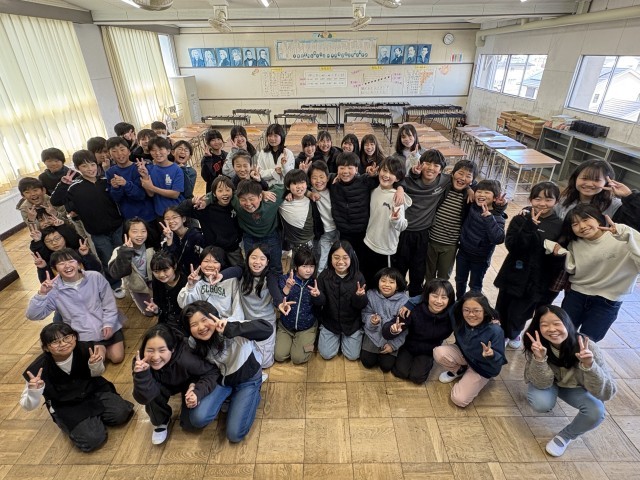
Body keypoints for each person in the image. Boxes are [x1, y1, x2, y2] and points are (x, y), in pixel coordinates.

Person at [20, 323, 133, 452]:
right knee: (93, 439)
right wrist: (34, 391)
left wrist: (95, 365)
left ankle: (92, 421)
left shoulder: (86, 348)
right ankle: (82, 423)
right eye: (55, 342)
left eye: (67, 337)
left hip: (93, 391)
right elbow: (27, 406)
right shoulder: (37, 369)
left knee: (121, 413)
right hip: (66, 404)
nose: (63, 344)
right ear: (46, 348)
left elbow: (97, 373)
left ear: (75, 337)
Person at [523, 305, 616, 457]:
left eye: (557, 323)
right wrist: (539, 359)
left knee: (596, 412)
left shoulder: (588, 347)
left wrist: (590, 366)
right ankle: (550, 397)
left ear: (567, 323)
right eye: (544, 325)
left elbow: (606, 393)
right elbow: (541, 383)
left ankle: (565, 436)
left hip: (574, 387)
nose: (551, 329)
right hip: (549, 382)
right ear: (538, 328)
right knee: (541, 404)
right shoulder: (536, 344)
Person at [546, 204, 640, 342]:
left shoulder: (622, 236)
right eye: (575, 224)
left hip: (608, 300)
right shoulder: (575, 243)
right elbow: (573, 268)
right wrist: (562, 253)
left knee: (588, 341)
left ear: (599, 219)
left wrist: (628, 237)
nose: (582, 226)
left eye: (586, 220)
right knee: (564, 334)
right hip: (576, 295)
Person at [182, 301, 272, 442]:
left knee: (234, 435)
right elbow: (197, 369)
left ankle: (252, 395)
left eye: (204, 320)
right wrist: (193, 386)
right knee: (197, 418)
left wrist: (231, 328)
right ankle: (231, 397)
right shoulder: (193, 342)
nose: (201, 327)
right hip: (222, 380)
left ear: (213, 316)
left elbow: (267, 329)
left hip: (247, 379)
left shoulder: (230, 324)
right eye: (194, 324)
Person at [495, 181, 564, 348]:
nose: (542, 204)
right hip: (513, 273)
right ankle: (501, 333)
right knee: (503, 306)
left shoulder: (559, 225)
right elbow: (512, 246)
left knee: (521, 311)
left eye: (548, 199)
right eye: (537, 199)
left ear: (556, 201)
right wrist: (529, 227)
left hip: (537, 279)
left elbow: (559, 255)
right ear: (530, 199)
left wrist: (557, 254)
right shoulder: (521, 218)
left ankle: (513, 333)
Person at [26, 248, 126, 364]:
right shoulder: (54, 289)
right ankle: (97, 348)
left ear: (78, 264)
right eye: (61, 263)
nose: (67, 266)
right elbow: (33, 315)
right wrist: (42, 294)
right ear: (55, 269)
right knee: (98, 361)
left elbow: (109, 303)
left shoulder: (95, 277)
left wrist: (108, 323)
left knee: (117, 358)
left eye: (71, 261)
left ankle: (101, 347)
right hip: (83, 334)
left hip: (106, 325)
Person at [50, 150, 125, 297]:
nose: (90, 169)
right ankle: (115, 284)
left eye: (92, 164)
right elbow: (55, 201)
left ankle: (128, 280)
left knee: (121, 255)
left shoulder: (105, 180)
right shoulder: (74, 186)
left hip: (117, 226)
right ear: (77, 168)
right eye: (84, 166)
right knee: (107, 258)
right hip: (97, 232)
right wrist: (63, 184)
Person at [132, 324, 219, 444]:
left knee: (190, 424)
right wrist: (142, 375)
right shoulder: (140, 363)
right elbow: (143, 398)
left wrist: (197, 390)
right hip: (160, 385)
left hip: (187, 381)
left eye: (162, 350)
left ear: (172, 349)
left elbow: (212, 372)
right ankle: (161, 421)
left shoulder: (187, 358)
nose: (155, 357)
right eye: (150, 350)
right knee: (149, 390)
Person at [433, 292, 506, 407]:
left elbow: (499, 364)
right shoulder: (457, 314)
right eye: (466, 310)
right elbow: (438, 301)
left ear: (485, 311)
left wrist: (491, 355)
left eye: (476, 311)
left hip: (482, 368)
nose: (471, 314)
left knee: (459, 399)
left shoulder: (495, 331)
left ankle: (471, 379)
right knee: (438, 352)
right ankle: (460, 370)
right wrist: (410, 304)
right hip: (464, 354)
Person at [394, 149, 449, 297]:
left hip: (423, 233)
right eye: (427, 163)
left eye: (436, 165)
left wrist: (469, 189)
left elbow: (461, 180)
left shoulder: (444, 181)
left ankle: (415, 298)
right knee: (399, 267)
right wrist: (400, 187)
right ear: (420, 164)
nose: (431, 168)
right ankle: (397, 297)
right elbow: (398, 179)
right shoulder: (409, 180)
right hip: (403, 232)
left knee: (418, 270)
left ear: (441, 170)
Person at [384, 279, 455, 384]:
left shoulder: (453, 315)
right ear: (427, 296)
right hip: (409, 345)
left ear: (450, 299)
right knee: (400, 372)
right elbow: (387, 330)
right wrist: (392, 329)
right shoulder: (413, 309)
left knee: (417, 378)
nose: (439, 301)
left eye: (444, 297)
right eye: (435, 296)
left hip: (429, 350)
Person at [311, 240, 368, 361]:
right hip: (330, 322)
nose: (340, 262)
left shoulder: (358, 277)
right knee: (326, 354)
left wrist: (359, 296)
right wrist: (317, 296)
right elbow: (321, 303)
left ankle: (350, 338)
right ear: (330, 258)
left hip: (351, 323)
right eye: (336, 257)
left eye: (345, 258)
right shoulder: (324, 276)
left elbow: (361, 306)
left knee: (352, 356)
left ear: (351, 258)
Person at [425, 160, 476, 284]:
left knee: (443, 277)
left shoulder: (469, 196)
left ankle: (441, 294)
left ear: (472, 180)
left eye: (468, 176)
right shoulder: (443, 187)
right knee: (428, 275)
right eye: (460, 173)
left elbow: (486, 198)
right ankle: (427, 294)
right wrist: (468, 186)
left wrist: (469, 188)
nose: (463, 178)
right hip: (431, 240)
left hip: (450, 245)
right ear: (452, 174)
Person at [362, 156, 411, 284]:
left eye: (391, 173)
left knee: (384, 283)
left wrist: (396, 219)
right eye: (384, 170)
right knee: (369, 280)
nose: (386, 175)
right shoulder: (374, 190)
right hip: (368, 242)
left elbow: (402, 225)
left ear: (398, 179)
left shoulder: (396, 197)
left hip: (386, 249)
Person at [455, 179, 506, 299]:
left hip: (480, 258)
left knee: (475, 285)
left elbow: (498, 239)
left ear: (495, 198)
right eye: (479, 191)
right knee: (460, 280)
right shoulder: (473, 205)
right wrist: (469, 189)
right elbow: (470, 181)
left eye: (487, 192)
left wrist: (490, 218)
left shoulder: (497, 217)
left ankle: (473, 304)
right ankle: (459, 302)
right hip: (463, 252)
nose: (482, 194)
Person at [329, 152, 380, 267]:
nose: (345, 171)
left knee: (363, 261)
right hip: (343, 231)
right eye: (342, 168)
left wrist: (374, 175)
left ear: (356, 169)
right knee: (345, 260)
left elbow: (386, 181)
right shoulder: (333, 182)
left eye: (349, 168)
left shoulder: (364, 181)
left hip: (362, 231)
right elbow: (316, 180)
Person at [181, 175, 244, 267]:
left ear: (233, 192)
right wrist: (192, 201)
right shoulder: (205, 208)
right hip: (214, 251)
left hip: (233, 249)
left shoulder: (236, 206)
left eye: (228, 190)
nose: (224, 193)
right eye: (220, 191)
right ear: (214, 193)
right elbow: (181, 209)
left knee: (240, 270)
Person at [230, 179, 286, 275]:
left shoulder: (271, 200)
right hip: (249, 237)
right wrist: (206, 200)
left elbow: (287, 186)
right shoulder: (235, 201)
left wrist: (288, 194)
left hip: (271, 235)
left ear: (260, 197)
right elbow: (220, 193)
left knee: (275, 266)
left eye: (251, 199)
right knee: (252, 267)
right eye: (243, 199)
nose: (248, 203)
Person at [239, 245, 281, 368]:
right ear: (247, 258)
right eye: (254, 257)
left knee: (265, 363)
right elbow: (231, 272)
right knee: (245, 359)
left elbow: (274, 290)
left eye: (262, 259)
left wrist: (280, 303)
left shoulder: (270, 276)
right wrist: (220, 276)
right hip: (247, 321)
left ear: (267, 262)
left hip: (265, 322)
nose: (257, 262)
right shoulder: (242, 272)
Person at [360, 268, 409, 372]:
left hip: (393, 338)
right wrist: (372, 320)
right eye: (383, 281)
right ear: (378, 282)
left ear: (397, 286)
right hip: (373, 333)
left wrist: (394, 345)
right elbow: (365, 314)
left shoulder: (404, 301)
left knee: (386, 366)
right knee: (367, 362)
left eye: (391, 282)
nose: (386, 285)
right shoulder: (370, 294)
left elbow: (405, 328)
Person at [177, 245, 244, 321]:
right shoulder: (196, 280)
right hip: (203, 322)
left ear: (222, 263)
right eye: (206, 261)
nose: (210, 265)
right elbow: (184, 304)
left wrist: (227, 323)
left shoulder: (231, 281)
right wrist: (190, 286)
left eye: (215, 262)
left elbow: (238, 310)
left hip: (225, 322)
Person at [275, 246, 318, 364]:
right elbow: (278, 301)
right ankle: (293, 341)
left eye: (311, 266)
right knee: (279, 356)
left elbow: (320, 304)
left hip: (307, 326)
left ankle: (310, 338)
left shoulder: (314, 283)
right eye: (304, 266)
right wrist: (287, 287)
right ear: (296, 267)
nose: (308, 270)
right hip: (286, 325)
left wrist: (318, 296)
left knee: (297, 358)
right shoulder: (285, 279)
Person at [105, 136, 156, 232]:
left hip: (148, 216)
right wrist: (115, 188)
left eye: (122, 149)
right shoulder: (110, 172)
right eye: (114, 151)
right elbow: (116, 199)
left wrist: (126, 184)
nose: (119, 154)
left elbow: (141, 195)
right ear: (110, 154)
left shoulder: (140, 167)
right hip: (129, 219)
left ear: (129, 151)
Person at [108, 217, 155, 316]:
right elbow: (115, 274)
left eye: (143, 231)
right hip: (136, 287)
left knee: (157, 307)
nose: (140, 235)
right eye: (134, 231)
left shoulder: (150, 246)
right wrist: (125, 253)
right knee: (148, 312)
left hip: (153, 282)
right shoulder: (119, 251)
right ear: (126, 233)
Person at [138, 137, 185, 219]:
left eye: (160, 149)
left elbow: (175, 194)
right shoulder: (149, 169)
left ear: (168, 151)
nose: (157, 153)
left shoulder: (177, 169)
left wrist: (152, 187)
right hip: (160, 213)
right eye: (153, 150)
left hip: (177, 212)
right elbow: (151, 194)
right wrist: (145, 176)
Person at [146, 251, 188, 334]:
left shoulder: (186, 283)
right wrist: (156, 310)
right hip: (165, 322)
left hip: (184, 324)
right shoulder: (156, 282)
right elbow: (160, 307)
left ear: (174, 267)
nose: (161, 275)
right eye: (156, 271)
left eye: (165, 270)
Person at [308, 160, 338, 273]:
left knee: (338, 258)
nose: (318, 181)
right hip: (324, 233)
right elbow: (296, 186)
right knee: (322, 261)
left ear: (327, 177)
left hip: (338, 230)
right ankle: (319, 281)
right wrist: (309, 193)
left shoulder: (333, 189)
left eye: (321, 177)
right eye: (314, 178)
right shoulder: (310, 192)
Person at [160, 206, 206, 276]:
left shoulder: (196, 235)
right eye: (167, 219)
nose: (171, 221)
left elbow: (203, 258)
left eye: (174, 217)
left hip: (196, 274)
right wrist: (169, 240)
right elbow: (167, 260)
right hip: (176, 275)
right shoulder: (165, 236)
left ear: (183, 219)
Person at [280, 169, 315, 252]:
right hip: (292, 242)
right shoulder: (283, 202)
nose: (299, 186)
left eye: (302, 182)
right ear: (288, 186)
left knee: (311, 259)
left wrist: (309, 193)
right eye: (295, 183)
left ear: (306, 184)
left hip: (310, 240)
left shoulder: (310, 199)